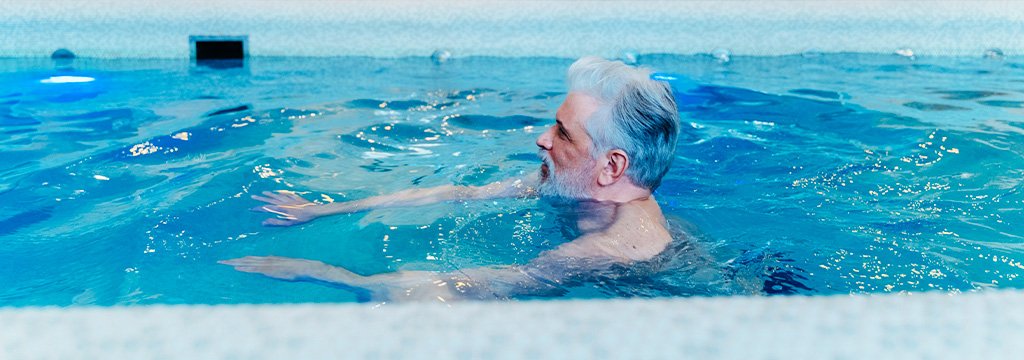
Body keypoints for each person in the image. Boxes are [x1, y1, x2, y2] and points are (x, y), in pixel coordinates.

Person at [220, 56, 683, 302]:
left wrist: (322, 273)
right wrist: (325, 209)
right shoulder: (572, 182)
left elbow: (463, 286)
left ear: (612, 167)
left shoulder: (611, 249)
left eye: (562, 132)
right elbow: (461, 193)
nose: (542, 139)